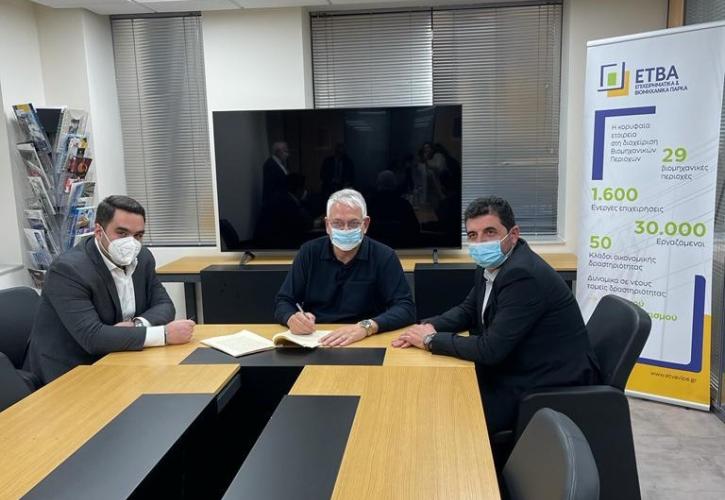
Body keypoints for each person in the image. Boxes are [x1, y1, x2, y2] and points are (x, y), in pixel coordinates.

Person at [393, 196, 599, 435]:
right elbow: (467, 310)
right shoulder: (492, 264)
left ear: (513, 234)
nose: (480, 243)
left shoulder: (523, 276)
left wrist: (430, 340)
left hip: (548, 382)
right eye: (473, 235)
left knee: (450, 415)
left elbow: (490, 350)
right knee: (440, 391)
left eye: (489, 232)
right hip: (519, 364)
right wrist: (426, 327)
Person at [24, 195, 194, 385]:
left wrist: (137, 325)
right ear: (98, 231)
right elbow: (93, 337)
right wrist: (164, 335)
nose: (131, 243)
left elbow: (164, 305)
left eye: (138, 235)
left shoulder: (143, 258)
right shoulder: (68, 270)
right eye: (122, 233)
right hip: (69, 371)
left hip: (118, 358)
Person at [274, 188, 415, 346]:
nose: (346, 230)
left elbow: (406, 308)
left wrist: (367, 326)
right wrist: (292, 318)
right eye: (338, 223)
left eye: (353, 223)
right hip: (317, 339)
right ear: (327, 225)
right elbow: (284, 301)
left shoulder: (384, 256)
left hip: (367, 339)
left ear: (365, 224)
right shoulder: (309, 252)